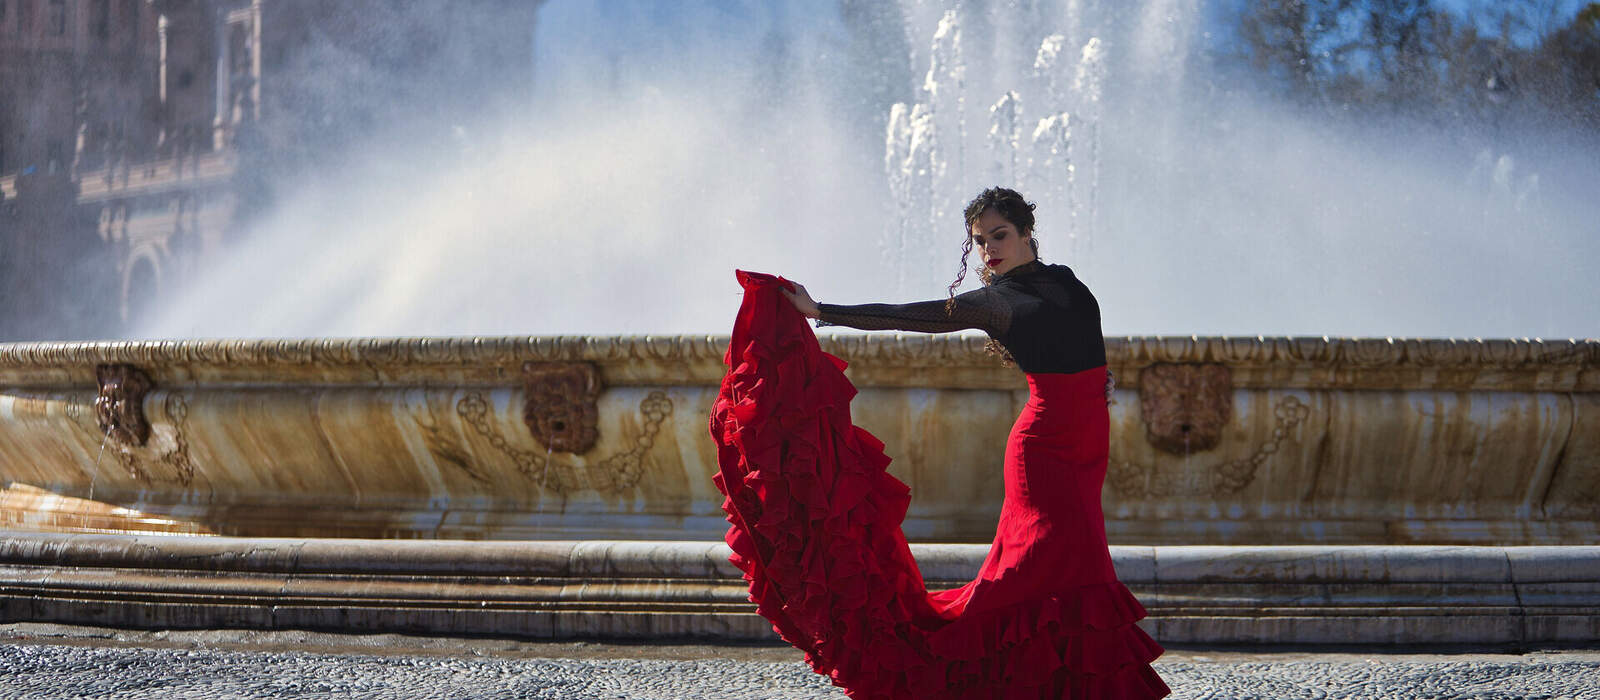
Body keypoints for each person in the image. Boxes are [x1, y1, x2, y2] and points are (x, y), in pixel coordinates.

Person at [711, 187, 1168, 698]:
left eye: (999, 236)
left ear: (1025, 234)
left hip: (1085, 441)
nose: (989, 250)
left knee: (1072, 558)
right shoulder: (995, 301)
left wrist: (1100, 377)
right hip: (1044, 448)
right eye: (979, 241)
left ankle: (1061, 682)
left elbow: (1082, 335)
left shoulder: (1064, 280)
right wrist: (821, 308)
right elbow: (914, 315)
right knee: (1044, 561)